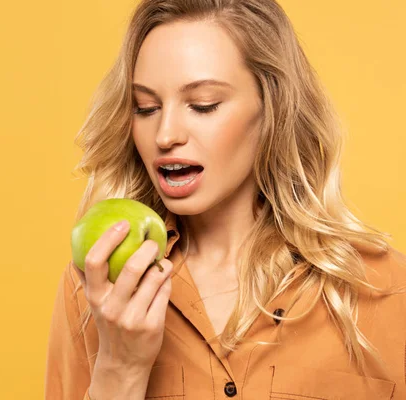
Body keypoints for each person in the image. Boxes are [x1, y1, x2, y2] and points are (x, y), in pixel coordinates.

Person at [45, 1, 406, 399]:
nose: (165, 135)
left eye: (203, 105)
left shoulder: (387, 290)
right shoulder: (95, 291)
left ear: (273, 109)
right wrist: (120, 369)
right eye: (145, 108)